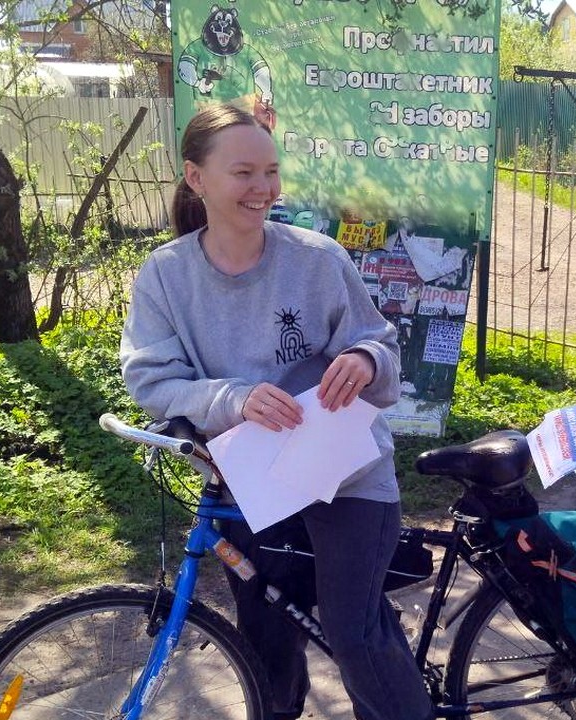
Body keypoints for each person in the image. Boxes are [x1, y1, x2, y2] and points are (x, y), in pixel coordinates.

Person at [120, 103, 434, 720]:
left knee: (353, 632)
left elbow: (382, 347)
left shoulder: (317, 259)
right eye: (243, 172)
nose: (262, 188)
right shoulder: (164, 276)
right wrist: (231, 398)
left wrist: (366, 361)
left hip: (346, 477)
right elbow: (151, 379)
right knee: (263, 635)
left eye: (271, 170)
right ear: (196, 177)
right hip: (248, 482)